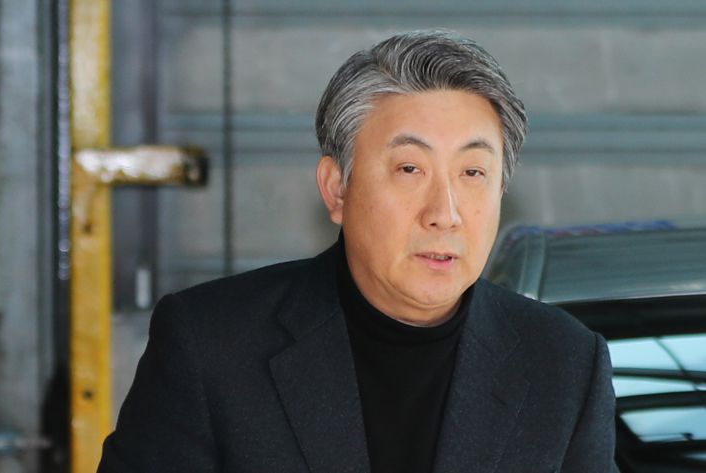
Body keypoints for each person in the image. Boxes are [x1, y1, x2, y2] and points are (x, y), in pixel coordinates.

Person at [98, 30, 618, 473]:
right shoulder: (210, 344)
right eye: (409, 169)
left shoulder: (563, 363)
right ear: (337, 189)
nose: (445, 212)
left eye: (473, 172)